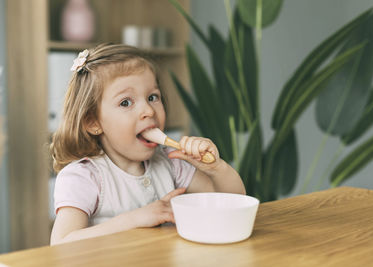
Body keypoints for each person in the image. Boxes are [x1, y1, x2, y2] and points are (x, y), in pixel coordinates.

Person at [50, 43, 245, 245]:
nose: (149, 111)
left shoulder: (171, 162)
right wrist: (135, 219)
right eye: (126, 102)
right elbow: (60, 243)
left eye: (153, 97)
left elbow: (231, 204)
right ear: (93, 122)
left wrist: (217, 168)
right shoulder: (84, 177)